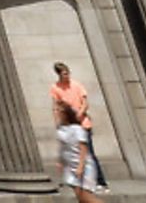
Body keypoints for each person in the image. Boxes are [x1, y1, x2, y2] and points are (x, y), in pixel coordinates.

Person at [50, 63, 109, 193]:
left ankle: (101, 181)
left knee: (89, 153)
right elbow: (56, 106)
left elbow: (85, 103)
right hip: (69, 126)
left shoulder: (76, 85)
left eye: (67, 73)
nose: (67, 76)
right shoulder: (56, 88)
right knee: (69, 153)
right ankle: (75, 180)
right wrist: (58, 123)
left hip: (82, 124)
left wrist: (79, 114)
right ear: (59, 75)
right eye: (64, 74)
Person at [57, 102, 104, 202]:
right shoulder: (61, 130)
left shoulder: (77, 129)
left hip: (83, 166)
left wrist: (81, 166)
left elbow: (83, 149)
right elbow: (63, 148)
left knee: (86, 196)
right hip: (70, 166)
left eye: (59, 111)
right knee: (79, 196)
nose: (56, 113)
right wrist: (61, 161)